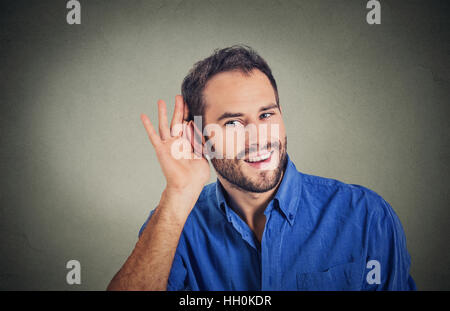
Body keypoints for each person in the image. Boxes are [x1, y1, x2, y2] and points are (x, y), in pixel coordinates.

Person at [107, 45, 416, 291]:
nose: (258, 138)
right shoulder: (175, 225)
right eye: (233, 122)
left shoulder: (366, 216)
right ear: (199, 136)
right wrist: (179, 193)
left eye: (266, 116)